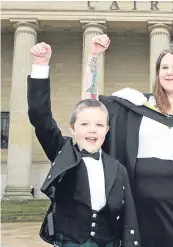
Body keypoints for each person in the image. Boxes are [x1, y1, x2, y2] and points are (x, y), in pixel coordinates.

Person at [82, 35, 173, 247]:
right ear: (157, 73)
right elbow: (90, 102)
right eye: (164, 67)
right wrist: (93, 58)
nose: (169, 72)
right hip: (136, 207)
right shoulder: (137, 106)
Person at [28, 43, 140, 246]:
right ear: (72, 128)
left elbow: (128, 214)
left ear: (106, 130)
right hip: (71, 241)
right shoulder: (63, 152)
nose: (92, 129)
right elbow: (40, 116)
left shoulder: (117, 167)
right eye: (85, 124)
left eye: (99, 125)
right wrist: (40, 66)